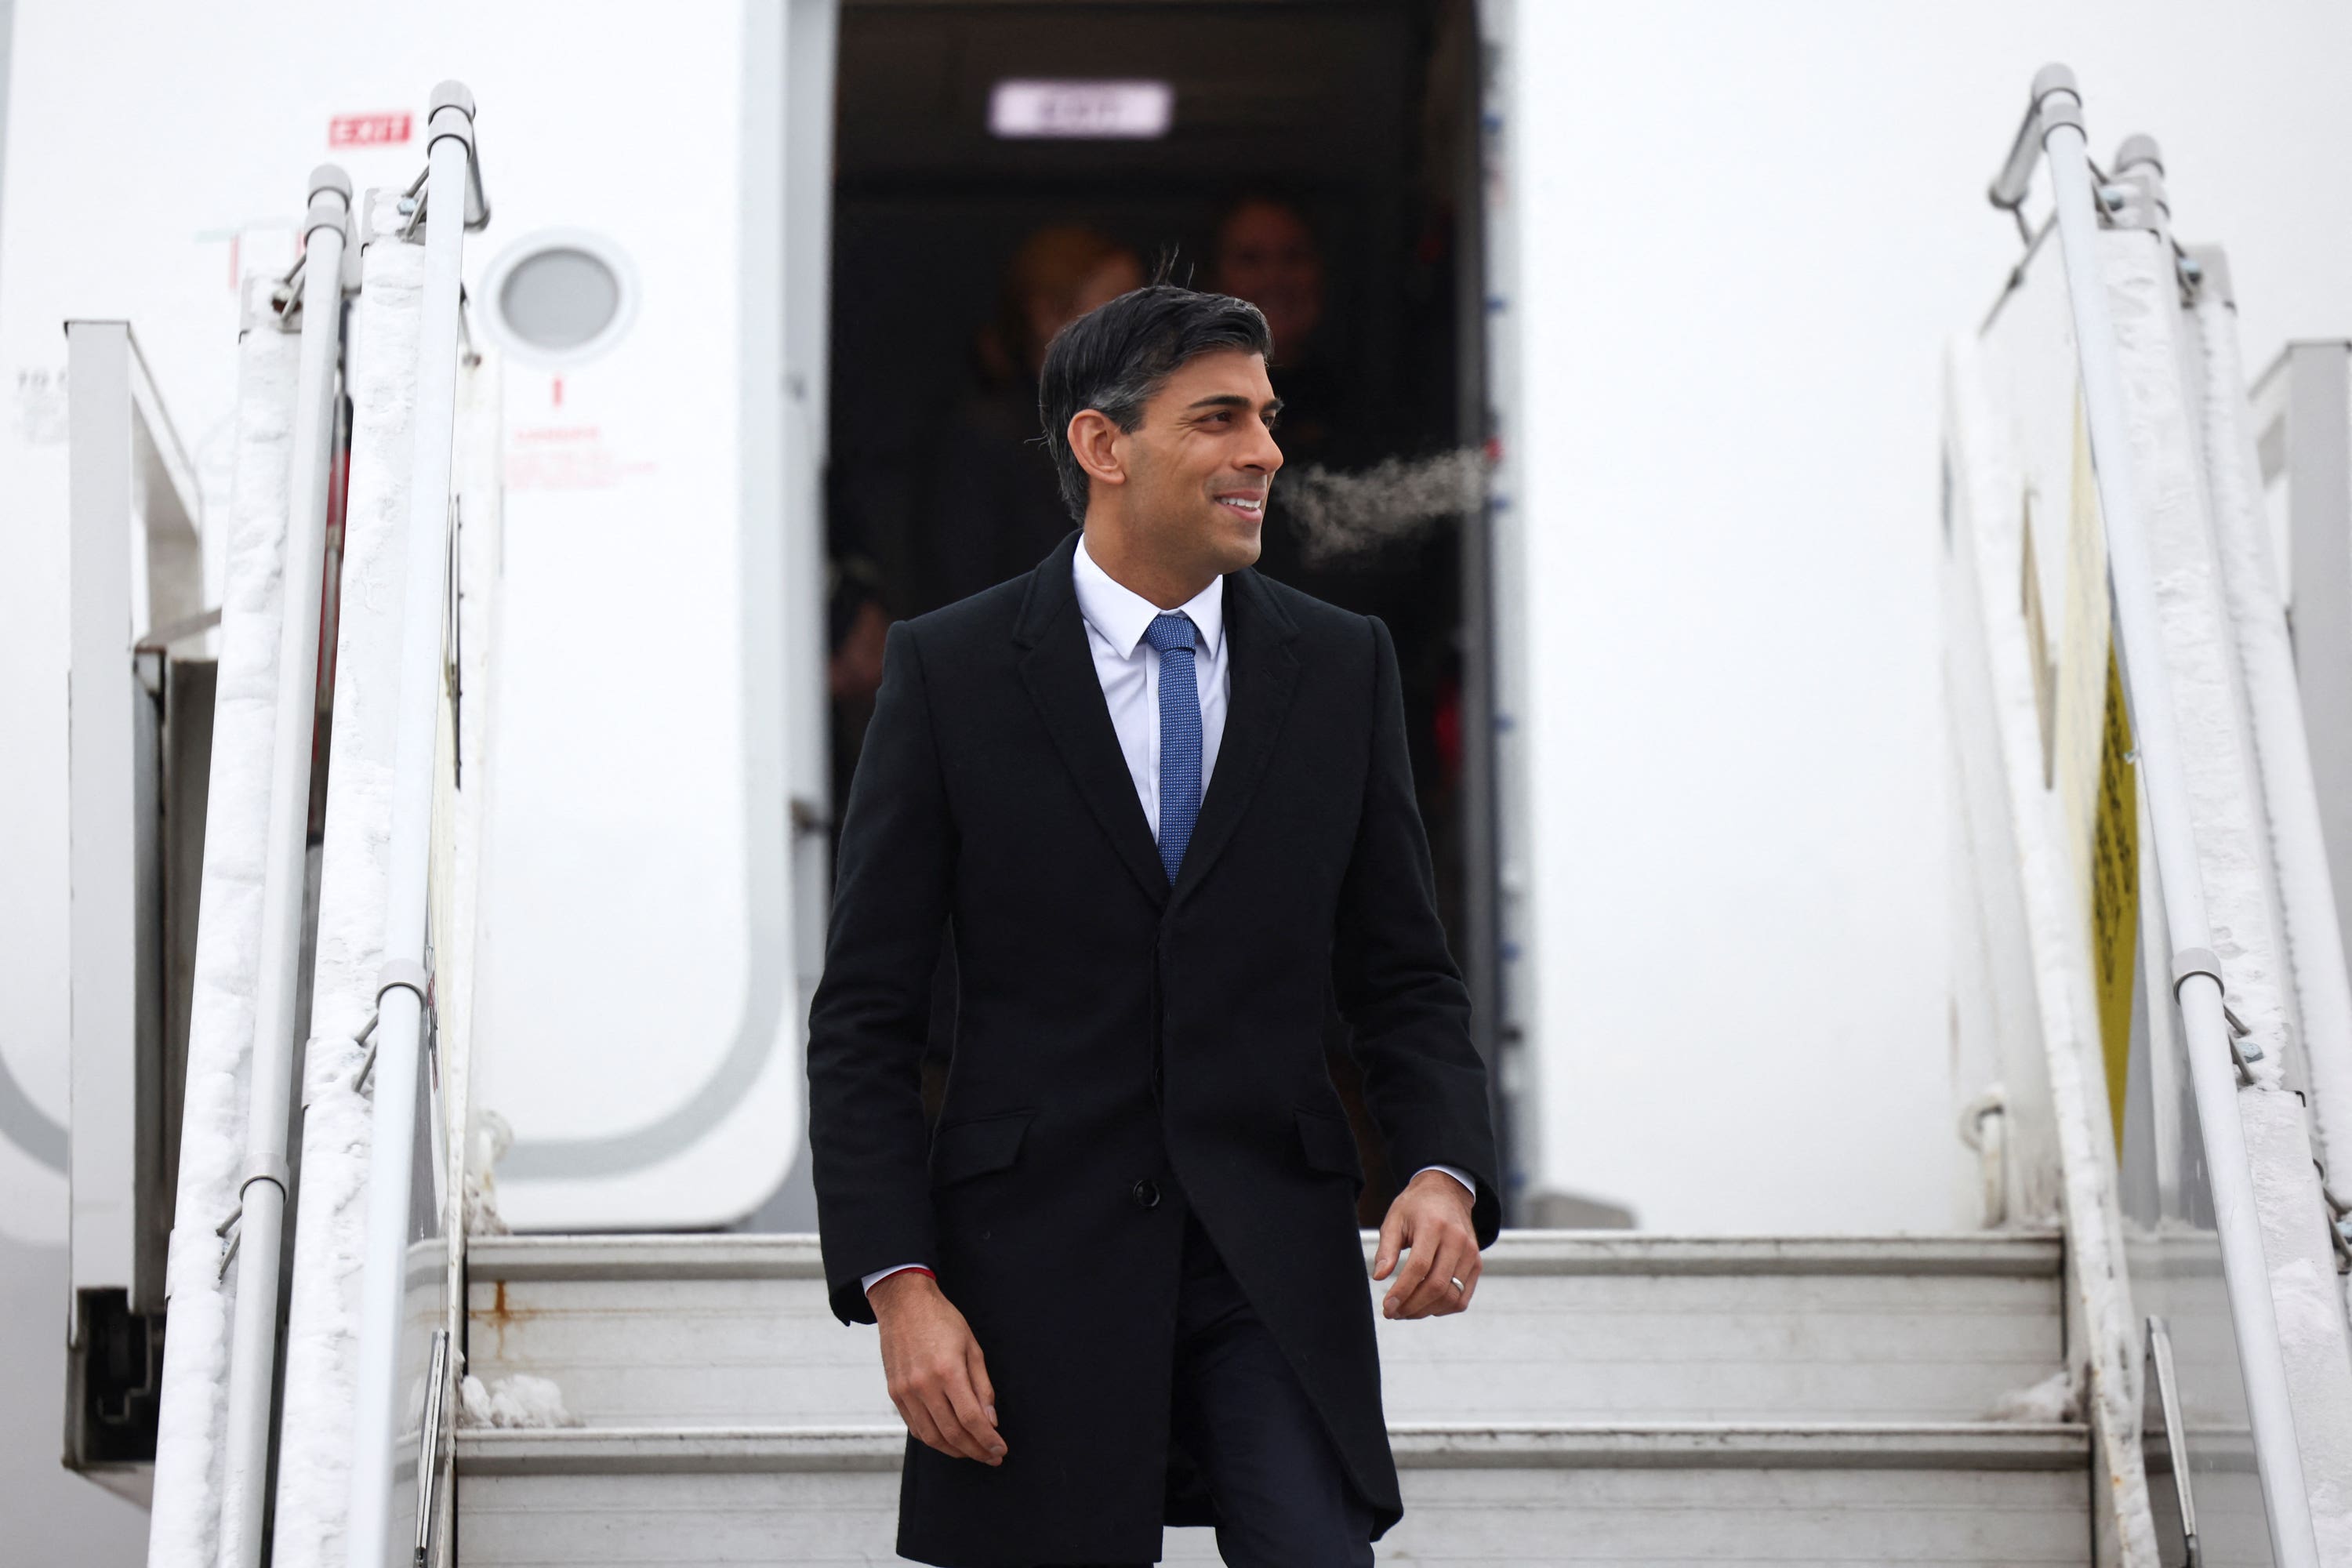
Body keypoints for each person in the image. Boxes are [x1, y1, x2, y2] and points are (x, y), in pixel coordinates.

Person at [807, 285, 1500, 1566]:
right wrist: (900, 1286)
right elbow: (864, 1018)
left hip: (1275, 1267)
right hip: (1031, 1268)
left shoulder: (1343, 667)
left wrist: (1443, 1170)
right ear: (1102, 445)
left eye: (1270, 418)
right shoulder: (950, 673)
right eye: (1220, 418)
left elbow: (1403, 975)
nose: (1266, 454)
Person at [921, 224, 1145, 611]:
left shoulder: (1140, 432)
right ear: (1048, 317)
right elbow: (963, 594)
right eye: (1116, 310)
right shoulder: (986, 437)